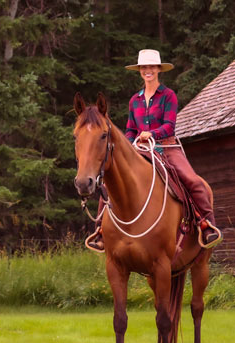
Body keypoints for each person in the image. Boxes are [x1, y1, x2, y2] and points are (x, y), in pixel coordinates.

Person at [86, 49, 222, 252]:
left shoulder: (168, 96)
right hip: (140, 150)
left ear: (158, 69)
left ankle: (206, 224)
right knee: (109, 181)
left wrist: (152, 134)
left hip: (166, 147)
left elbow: (169, 126)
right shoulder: (135, 100)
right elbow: (131, 129)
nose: (147, 70)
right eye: (143, 67)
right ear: (139, 70)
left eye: (151, 67)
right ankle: (101, 231)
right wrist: (129, 144)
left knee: (191, 180)